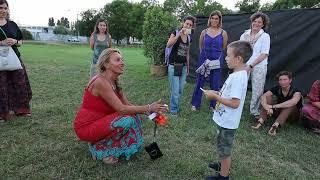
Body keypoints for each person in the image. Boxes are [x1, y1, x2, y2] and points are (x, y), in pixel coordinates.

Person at [74, 48, 167, 164]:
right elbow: (122, 110)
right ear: (106, 64)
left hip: (101, 122)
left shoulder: (114, 81)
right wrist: (148, 107)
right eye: (118, 60)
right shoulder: (100, 81)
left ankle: (103, 143)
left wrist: (149, 112)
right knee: (126, 120)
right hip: (86, 127)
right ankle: (98, 149)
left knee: (133, 116)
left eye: (122, 60)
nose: (122, 62)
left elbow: (127, 105)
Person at [204, 41, 252, 180]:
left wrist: (215, 97)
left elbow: (235, 103)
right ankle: (222, 167)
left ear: (238, 59)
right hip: (224, 119)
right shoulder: (236, 74)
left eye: (228, 55)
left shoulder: (238, 77)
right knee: (221, 146)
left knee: (225, 150)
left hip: (228, 122)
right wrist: (217, 93)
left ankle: (224, 176)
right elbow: (229, 95)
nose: (225, 58)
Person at [0, 0, 32, 122]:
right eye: (0, 8)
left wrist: (15, 42)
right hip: (0, 61)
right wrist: (1, 43)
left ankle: (21, 110)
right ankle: (3, 113)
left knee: (19, 84)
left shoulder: (12, 24)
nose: (2, 10)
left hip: (14, 59)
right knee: (1, 87)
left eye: (4, 8)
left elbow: (20, 41)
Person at [191, 10, 228, 111]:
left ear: (219, 20)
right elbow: (200, 46)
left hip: (217, 60)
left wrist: (217, 58)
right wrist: (205, 57)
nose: (214, 20)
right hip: (204, 60)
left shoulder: (223, 33)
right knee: (199, 81)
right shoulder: (204, 32)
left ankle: (213, 105)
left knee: (215, 83)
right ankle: (195, 104)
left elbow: (224, 48)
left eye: (216, 18)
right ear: (210, 19)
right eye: (212, 18)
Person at [251, 71, 302, 136]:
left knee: (290, 105)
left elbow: (294, 102)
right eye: (280, 80)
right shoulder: (277, 88)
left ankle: (275, 125)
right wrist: (266, 106)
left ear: (290, 80)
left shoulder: (296, 91)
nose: (282, 82)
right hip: (279, 111)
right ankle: (261, 120)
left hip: (292, 116)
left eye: (285, 79)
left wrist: (272, 106)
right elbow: (263, 96)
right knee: (267, 97)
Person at [240, 11, 270, 119]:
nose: (256, 23)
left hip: (259, 66)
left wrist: (251, 65)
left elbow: (264, 54)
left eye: (259, 22)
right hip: (244, 65)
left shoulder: (265, 36)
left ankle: (254, 111)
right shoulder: (244, 35)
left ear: (263, 24)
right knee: (240, 87)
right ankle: (237, 106)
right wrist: (242, 65)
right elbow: (240, 51)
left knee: (257, 89)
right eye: (255, 21)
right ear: (251, 22)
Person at [166, 16, 196, 115]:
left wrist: (187, 67)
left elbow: (187, 53)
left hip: (182, 67)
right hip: (173, 65)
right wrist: (179, 34)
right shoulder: (175, 33)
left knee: (180, 90)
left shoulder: (189, 37)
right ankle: (173, 110)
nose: (188, 26)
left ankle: (177, 107)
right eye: (187, 23)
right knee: (175, 91)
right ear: (183, 23)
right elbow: (169, 45)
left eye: (190, 25)